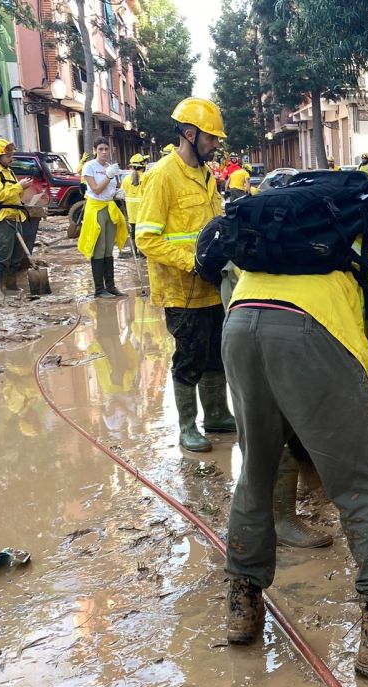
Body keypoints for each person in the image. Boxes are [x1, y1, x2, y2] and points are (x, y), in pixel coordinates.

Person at [221, 179, 368, 678]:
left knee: (257, 469)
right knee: (366, 482)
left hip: (240, 324)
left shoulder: (314, 229)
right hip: (306, 333)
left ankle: (241, 604)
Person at [135, 97, 236, 453]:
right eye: (211, 137)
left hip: (212, 287)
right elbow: (146, 237)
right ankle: (187, 427)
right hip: (182, 290)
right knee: (189, 356)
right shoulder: (163, 175)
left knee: (215, 354)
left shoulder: (206, 174)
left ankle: (217, 415)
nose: (215, 144)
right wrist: (191, 261)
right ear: (190, 134)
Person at [0, 138, 33, 295]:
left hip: (15, 216)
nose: (11, 158)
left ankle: (11, 286)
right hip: (1, 218)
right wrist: (19, 186)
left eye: (11, 155)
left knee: (17, 255)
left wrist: (23, 187)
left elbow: (16, 194)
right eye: (8, 156)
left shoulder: (9, 172)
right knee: (3, 254)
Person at [78, 137, 129, 298]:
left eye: (106, 149)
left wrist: (117, 193)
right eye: (100, 149)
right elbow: (96, 189)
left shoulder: (110, 167)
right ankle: (99, 289)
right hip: (96, 208)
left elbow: (110, 190)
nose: (104, 152)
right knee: (99, 248)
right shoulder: (90, 166)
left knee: (109, 248)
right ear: (95, 150)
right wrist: (108, 176)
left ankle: (111, 286)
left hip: (109, 207)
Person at [120, 153, 149, 249]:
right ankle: (143, 252)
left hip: (131, 213)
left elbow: (121, 194)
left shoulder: (126, 179)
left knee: (133, 232)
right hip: (144, 213)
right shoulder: (146, 178)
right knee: (144, 233)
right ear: (143, 165)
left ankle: (135, 251)